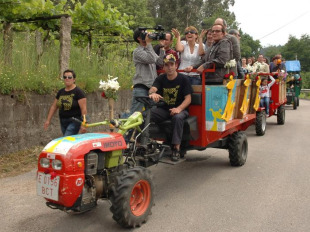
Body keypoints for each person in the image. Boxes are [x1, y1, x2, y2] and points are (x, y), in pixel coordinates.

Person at [148, 54, 192, 161]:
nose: (169, 67)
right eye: (167, 65)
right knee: (147, 114)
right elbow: (153, 88)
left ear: (176, 65)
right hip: (165, 109)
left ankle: (176, 148)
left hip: (181, 110)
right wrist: (152, 93)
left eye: (172, 64)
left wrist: (179, 109)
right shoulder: (161, 78)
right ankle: (145, 143)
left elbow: (188, 99)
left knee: (177, 118)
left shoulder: (184, 79)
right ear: (163, 67)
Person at [130, 28, 164, 115]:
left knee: (152, 115)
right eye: (145, 35)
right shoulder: (137, 51)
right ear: (139, 38)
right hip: (141, 87)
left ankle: (147, 129)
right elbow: (151, 59)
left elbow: (160, 62)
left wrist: (162, 48)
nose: (148, 37)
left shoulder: (149, 50)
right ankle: (131, 129)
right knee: (135, 116)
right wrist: (149, 44)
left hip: (152, 88)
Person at [44, 69, 87, 136]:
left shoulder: (78, 92)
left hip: (75, 121)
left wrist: (84, 124)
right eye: (65, 77)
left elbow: (83, 109)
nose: (67, 79)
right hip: (63, 120)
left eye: (69, 77)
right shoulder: (61, 92)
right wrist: (48, 120)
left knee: (67, 138)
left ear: (74, 79)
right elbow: (54, 106)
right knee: (69, 140)